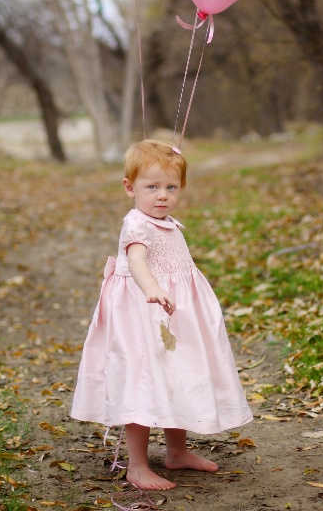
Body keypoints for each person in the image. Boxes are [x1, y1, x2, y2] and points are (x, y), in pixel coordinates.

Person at [70, 139, 253, 491]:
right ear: (130, 188)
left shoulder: (167, 222)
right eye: (151, 187)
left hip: (172, 314)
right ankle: (137, 466)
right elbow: (137, 260)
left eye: (171, 187)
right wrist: (151, 287)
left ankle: (177, 453)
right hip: (141, 314)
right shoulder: (136, 225)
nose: (162, 195)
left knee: (177, 372)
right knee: (142, 382)